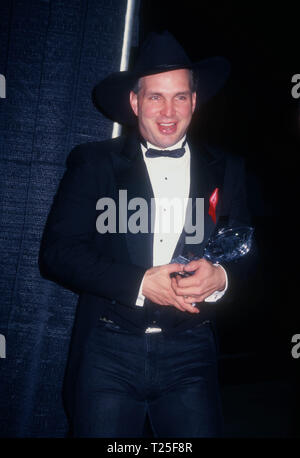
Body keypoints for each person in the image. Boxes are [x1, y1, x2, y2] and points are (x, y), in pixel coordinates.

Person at [40, 31, 252, 437]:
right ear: (136, 102)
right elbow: (58, 251)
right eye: (155, 96)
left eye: (180, 96)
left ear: (195, 100)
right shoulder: (93, 163)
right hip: (108, 349)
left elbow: (248, 249)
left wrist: (222, 278)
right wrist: (139, 283)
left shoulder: (228, 167)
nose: (168, 110)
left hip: (191, 353)